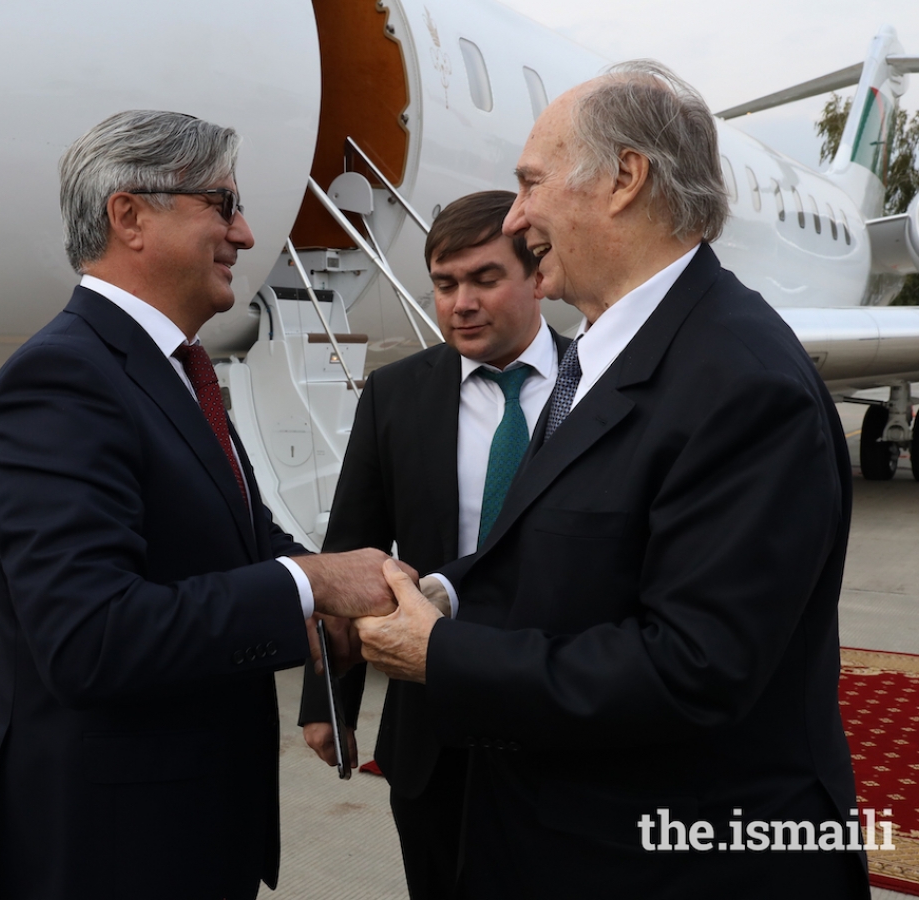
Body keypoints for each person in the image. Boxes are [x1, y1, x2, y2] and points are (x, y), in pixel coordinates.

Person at [356, 62, 868, 899]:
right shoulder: (611, 348)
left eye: (530, 184)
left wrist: (444, 654)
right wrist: (444, 593)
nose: (516, 216)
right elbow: (565, 546)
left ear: (625, 178)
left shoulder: (741, 380)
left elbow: (692, 668)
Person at [0, 109, 401, 900]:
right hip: (113, 852)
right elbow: (90, 637)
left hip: (192, 830)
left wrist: (350, 590)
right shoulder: (61, 381)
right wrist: (310, 586)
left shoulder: (170, 367)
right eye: (223, 204)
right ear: (129, 215)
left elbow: (237, 536)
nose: (245, 233)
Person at [297, 190, 568, 899]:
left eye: (484, 279)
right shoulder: (395, 396)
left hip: (561, 715)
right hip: (432, 729)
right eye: (445, 285)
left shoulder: (598, 385)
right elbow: (349, 552)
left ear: (537, 274)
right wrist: (330, 697)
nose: (460, 304)